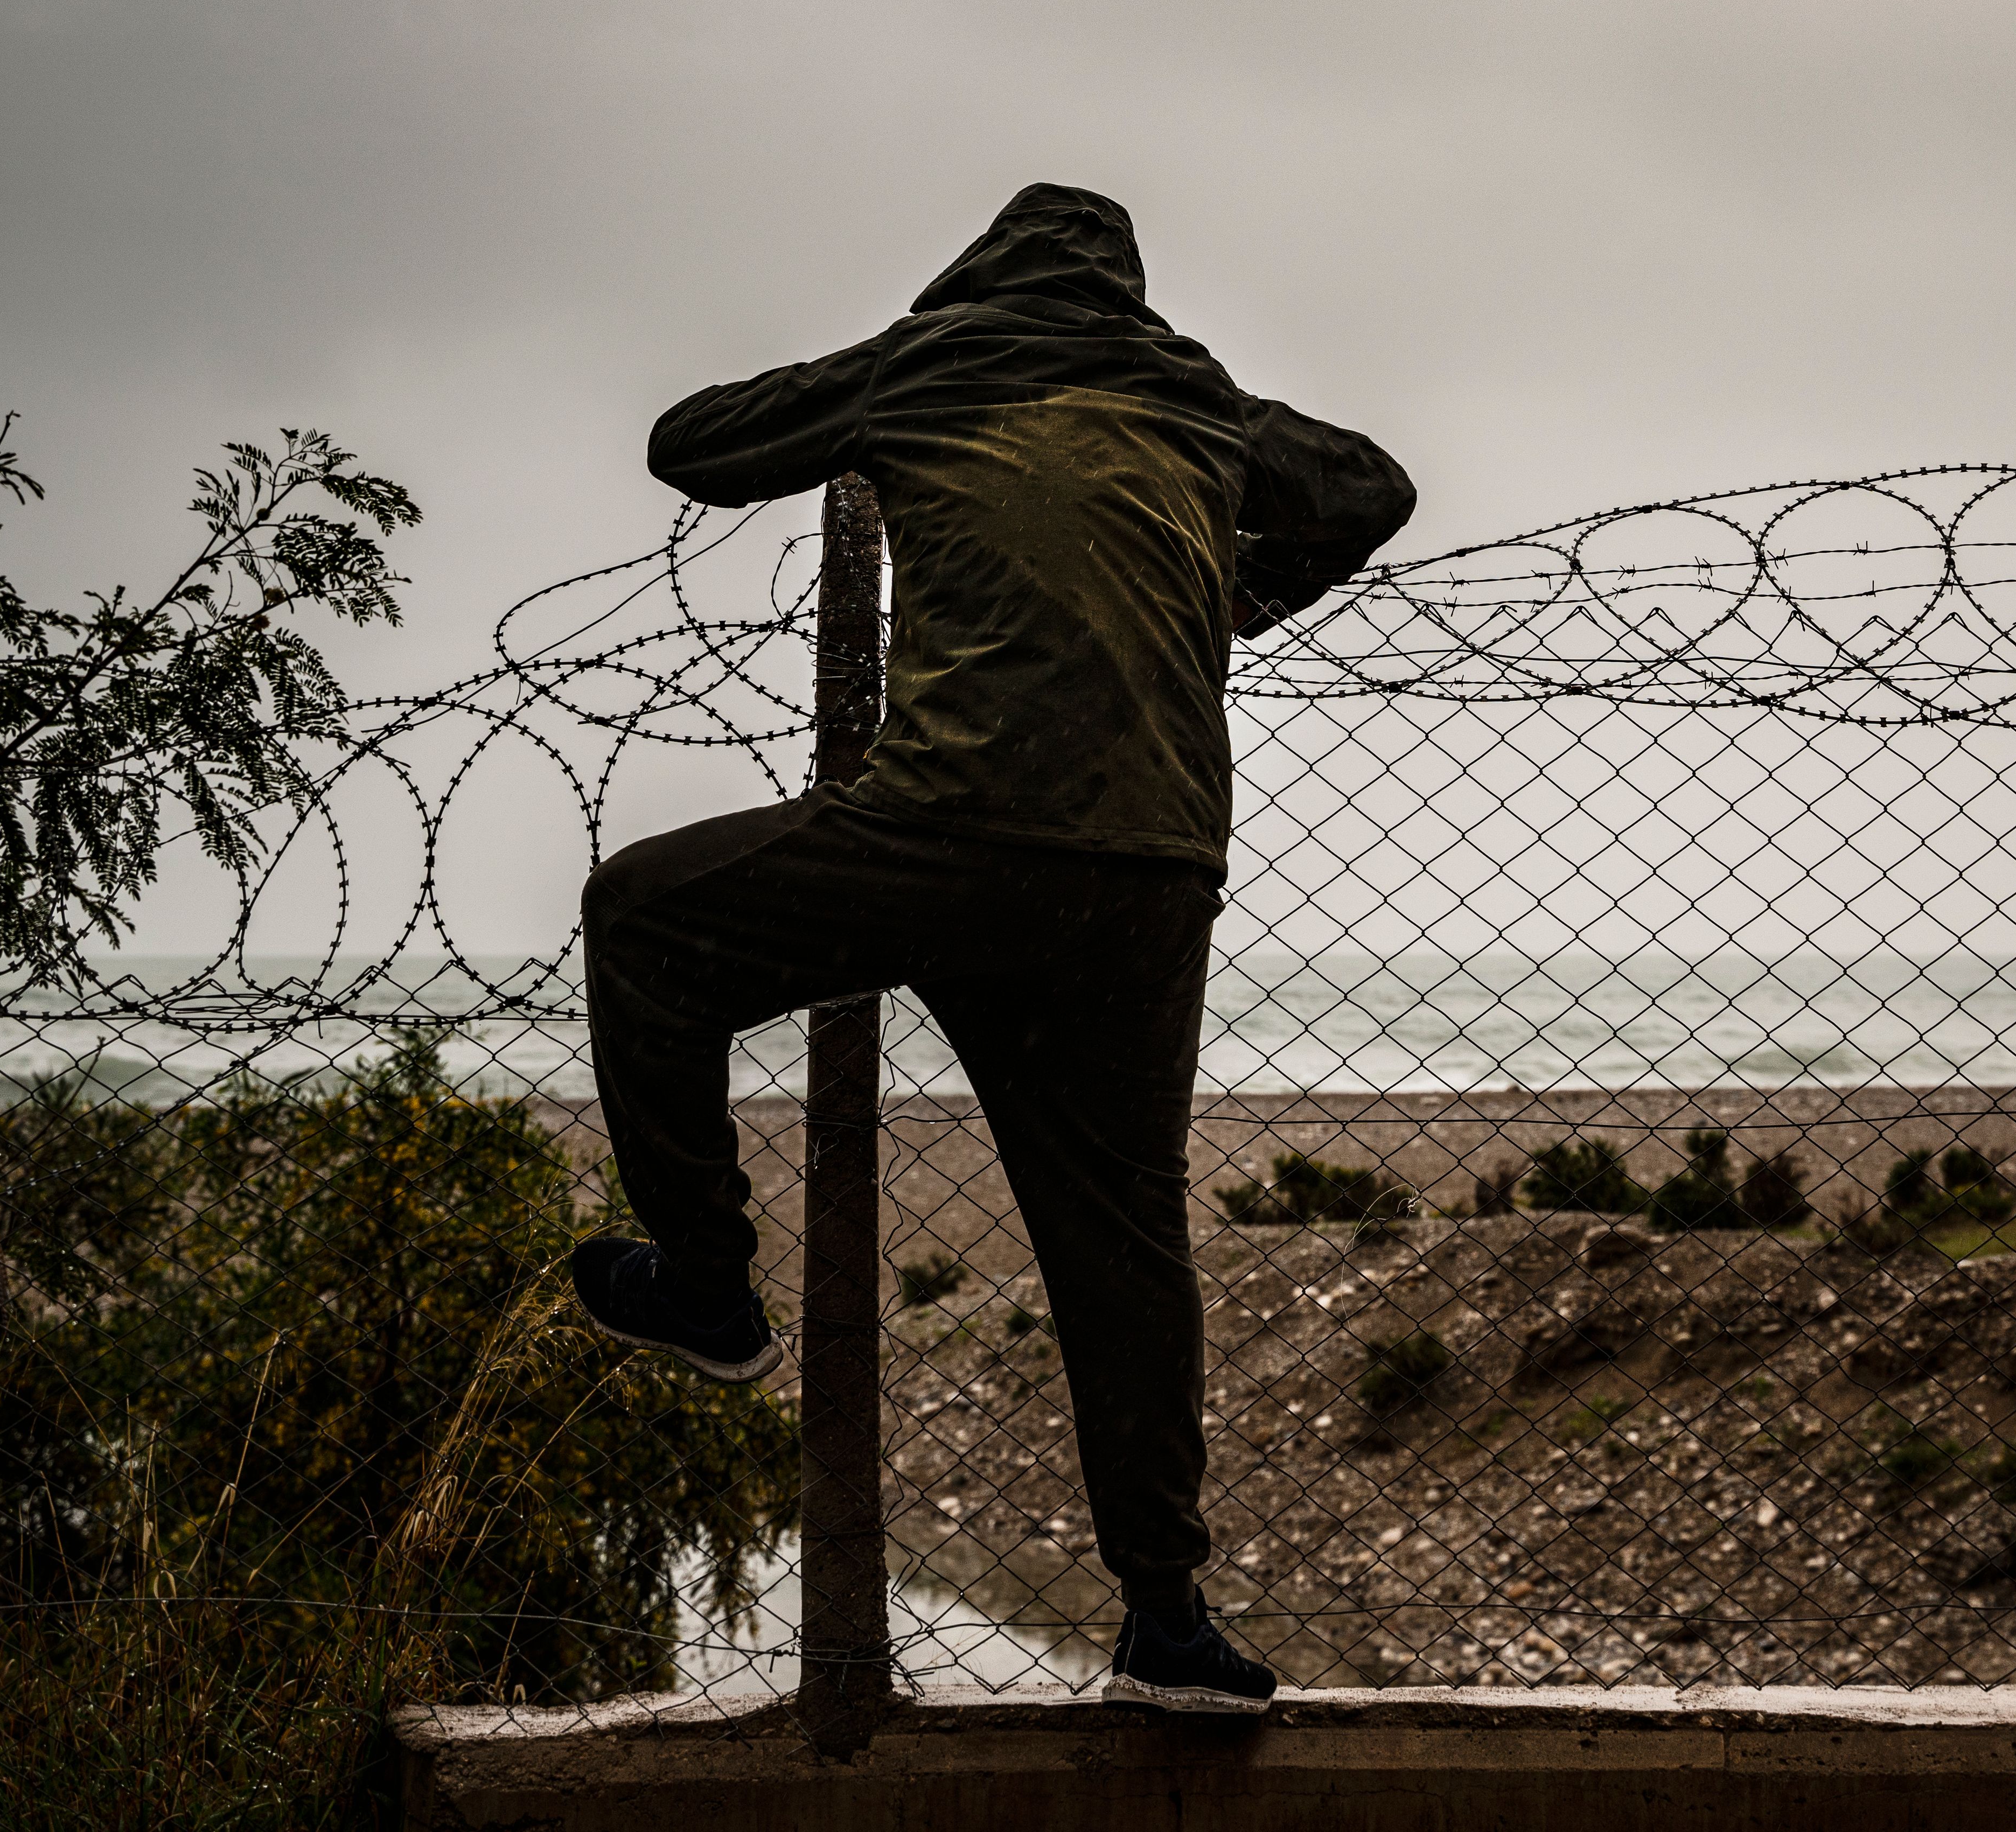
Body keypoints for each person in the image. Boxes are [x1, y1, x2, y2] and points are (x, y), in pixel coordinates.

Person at [568, 183, 1414, 1714]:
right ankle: (1170, 1623)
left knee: (643, 923)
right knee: (1121, 1239)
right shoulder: (1197, 396)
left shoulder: (931, 363)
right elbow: (1370, 486)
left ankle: (706, 1282)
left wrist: (880, 376)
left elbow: (691, 443)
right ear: (1129, 295)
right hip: (1154, 869)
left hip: (954, 831)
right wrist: (1243, 594)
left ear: (975, 276)